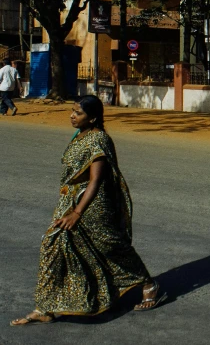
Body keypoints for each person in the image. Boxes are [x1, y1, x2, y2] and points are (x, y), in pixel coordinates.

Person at [10, 95, 165, 326]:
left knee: (111, 247)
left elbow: (96, 179)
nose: (72, 115)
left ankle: (148, 284)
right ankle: (45, 307)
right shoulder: (80, 135)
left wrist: (77, 213)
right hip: (69, 202)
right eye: (72, 111)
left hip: (91, 207)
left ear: (92, 118)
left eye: (78, 113)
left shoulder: (98, 140)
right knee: (52, 247)